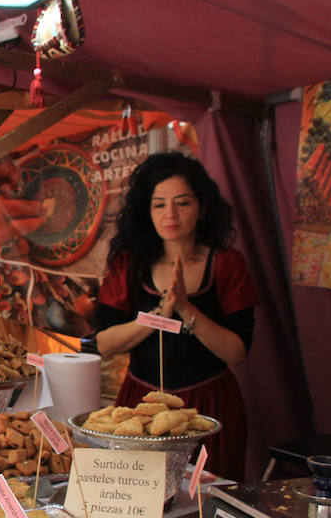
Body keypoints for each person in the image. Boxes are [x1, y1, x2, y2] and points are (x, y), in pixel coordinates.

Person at [92, 151, 258, 481]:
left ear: (202, 208)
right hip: (141, 401)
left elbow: (236, 352)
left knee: (203, 501)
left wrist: (185, 308)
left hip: (209, 405)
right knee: (139, 496)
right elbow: (104, 343)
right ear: (146, 211)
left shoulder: (227, 263)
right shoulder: (130, 263)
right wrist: (157, 314)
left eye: (182, 203)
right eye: (159, 204)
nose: (170, 214)